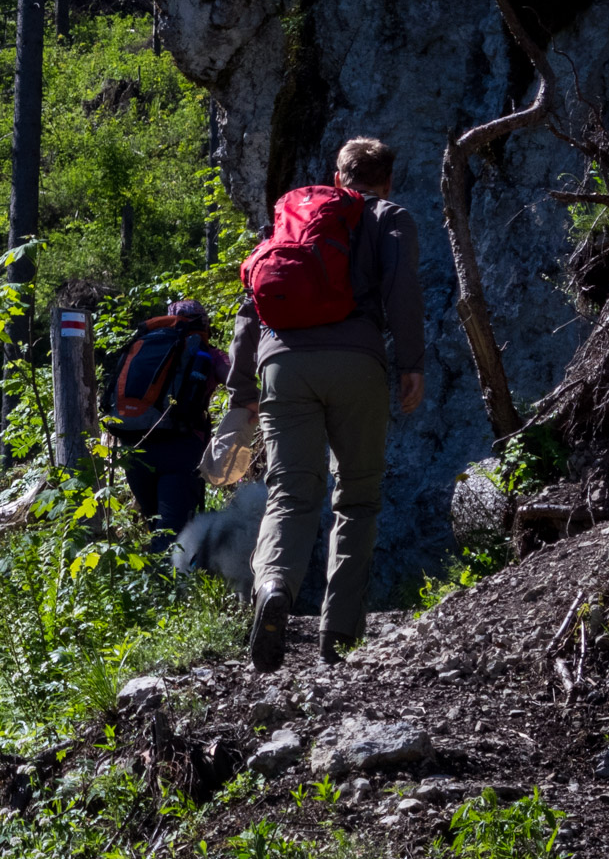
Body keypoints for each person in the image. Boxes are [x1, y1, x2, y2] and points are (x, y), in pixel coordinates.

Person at [227, 137, 426, 671]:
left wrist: (243, 389)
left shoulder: (297, 215)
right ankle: (338, 632)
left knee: (290, 491)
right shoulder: (390, 216)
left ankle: (273, 587)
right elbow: (401, 288)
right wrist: (411, 363)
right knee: (357, 496)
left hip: (282, 364)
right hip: (355, 361)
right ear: (387, 180)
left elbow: (253, 303)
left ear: (338, 178)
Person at [117, 299, 229, 555]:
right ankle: (167, 590)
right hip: (181, 448)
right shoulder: (209, 354)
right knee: (172, 535)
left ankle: (152, 587)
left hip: (135, 447)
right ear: (204, 323)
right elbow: (236, 380)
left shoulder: (145, 349)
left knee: (156, 526)